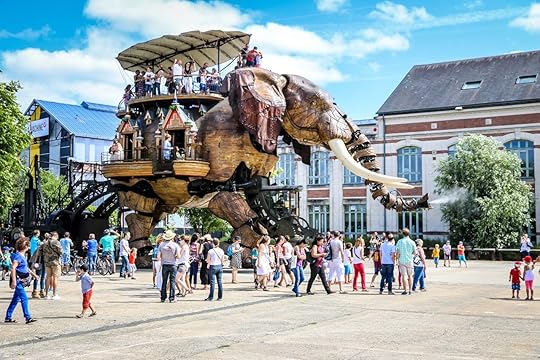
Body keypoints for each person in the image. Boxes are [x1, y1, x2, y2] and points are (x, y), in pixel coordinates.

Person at [4, 237, 38, 324]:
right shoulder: (18, 256)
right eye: (28, 245)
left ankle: (8, 317)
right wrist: (14, 281)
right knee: (24, 298)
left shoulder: (21, 255)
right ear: (26, 246)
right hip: (19, 281)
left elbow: (25, 268)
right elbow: (13, 268)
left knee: (15, 300)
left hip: (21, 281)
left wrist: (34, 275)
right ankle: (27, 317)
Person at [158, 230, 180, 303]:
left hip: (164, 264)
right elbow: (178, 256)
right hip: (173, 264)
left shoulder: (161, 245)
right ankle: (171, 297)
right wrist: (172, 253)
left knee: (164, 281)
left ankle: (163, 297)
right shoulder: (175, 245)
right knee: (172, 281)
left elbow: (159, 256)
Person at [41, 231, 63, 300]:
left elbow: (42, 251)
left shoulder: (45, 242)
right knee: (55, 277)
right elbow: (61, 252)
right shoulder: (56, 242)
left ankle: (46, 294)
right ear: (56, 235)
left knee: (48, 277)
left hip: (47, 262)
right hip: (55, 262)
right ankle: (54, 294)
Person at [395, 228, 416, 295]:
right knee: (410, 276)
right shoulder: (412, 242)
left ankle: (405, 290)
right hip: (410, 260)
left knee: (404, 275)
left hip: (402, 260)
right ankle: (410, 290)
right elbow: (415, 252)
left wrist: (397, 260)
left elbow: (398, 253)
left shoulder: (400, 241)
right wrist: (411, 255)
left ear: (402, 234)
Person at [29, 230, 44, 298]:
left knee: (35, 272)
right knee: (40, 276)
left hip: (33, 256)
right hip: (38, 258)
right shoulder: (37, 240)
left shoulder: (32, 239)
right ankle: (41, 291)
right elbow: (41, 244)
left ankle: (35, 291)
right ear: (37, 234)